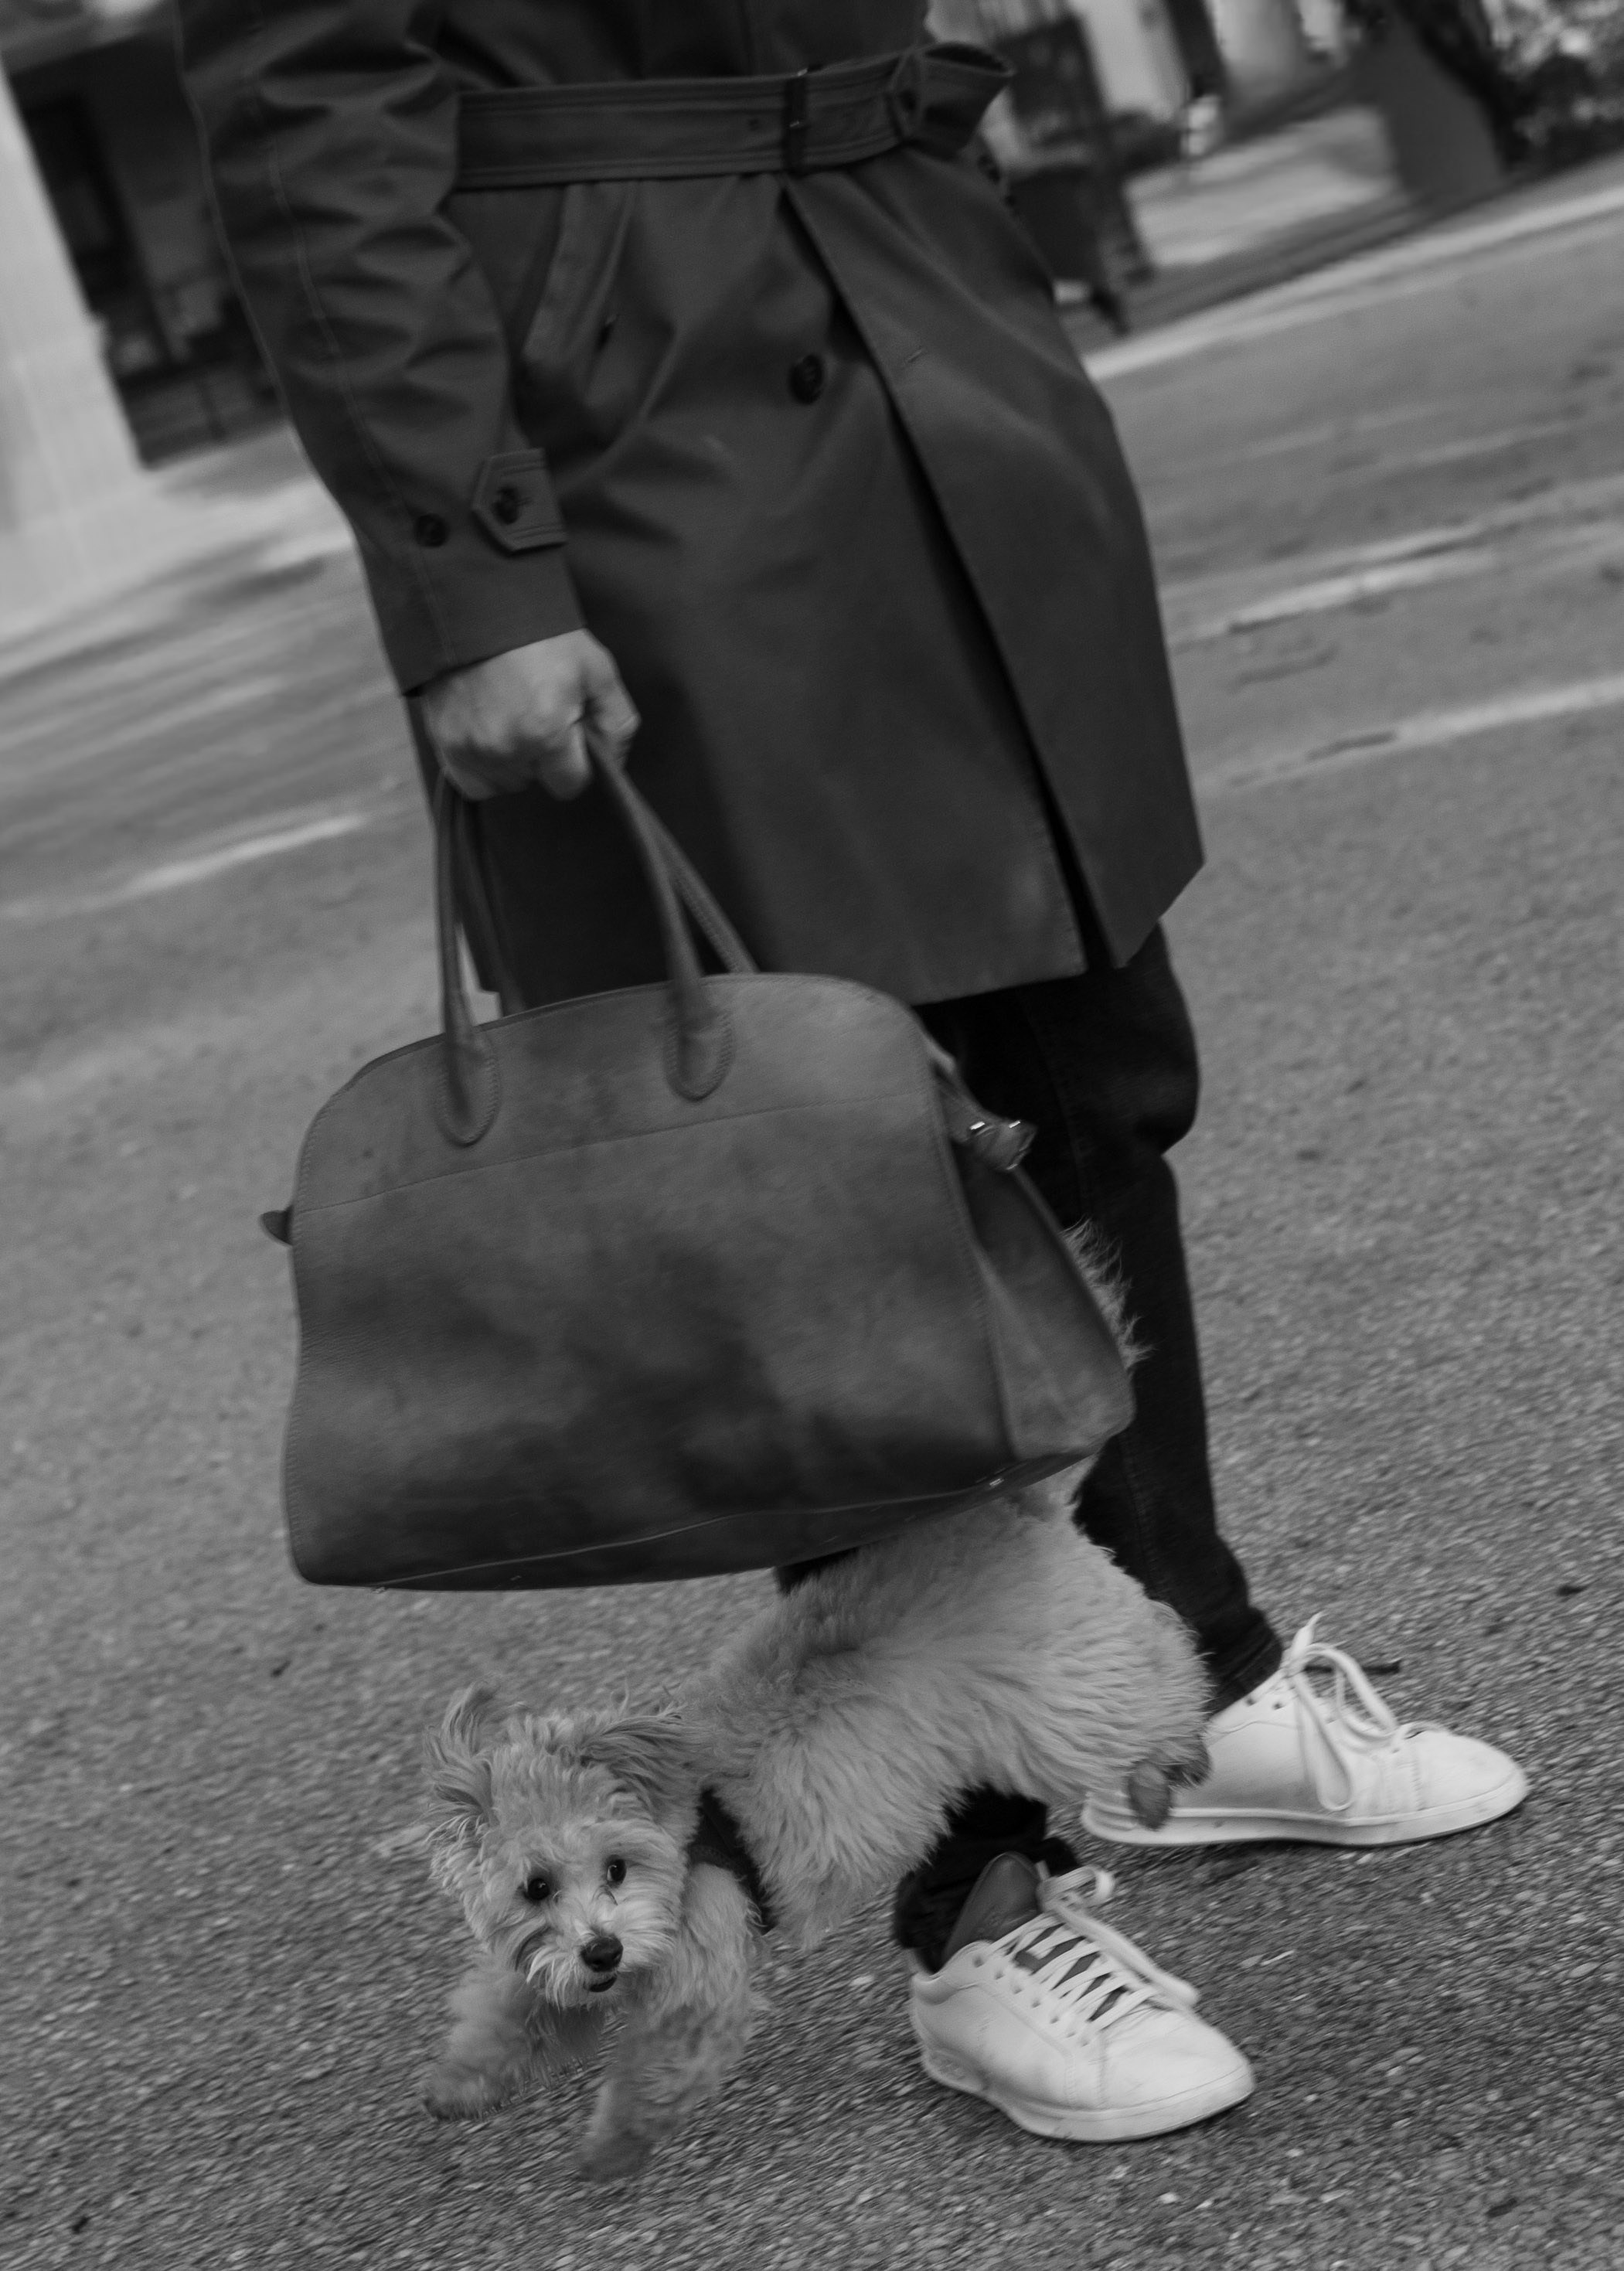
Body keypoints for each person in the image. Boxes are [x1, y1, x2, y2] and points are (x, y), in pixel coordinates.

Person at [179, 0, 1527, 2143]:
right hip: (637, 439)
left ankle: (1199, 1662)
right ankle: (978, 1901)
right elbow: (306, 90)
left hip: (915, 311)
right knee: (820, 1220)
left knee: (1093, 1078)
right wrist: (466, 567)